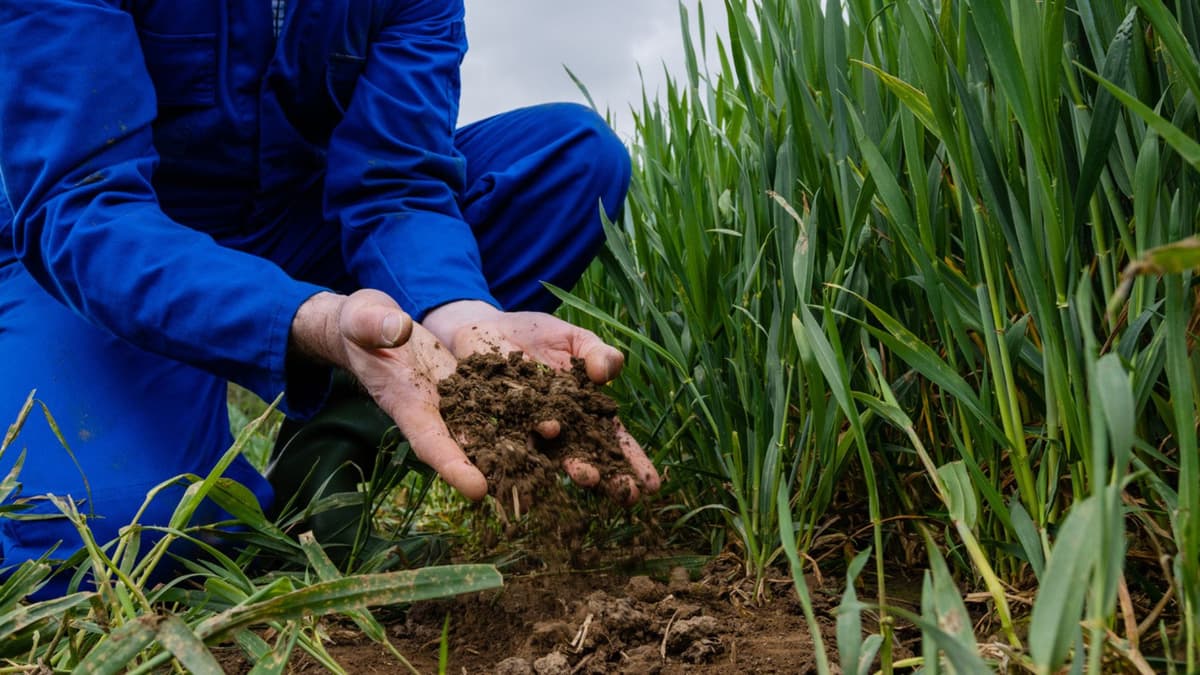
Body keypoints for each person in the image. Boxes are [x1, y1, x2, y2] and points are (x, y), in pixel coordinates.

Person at [0, 0, 661, 598]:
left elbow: (397, 181)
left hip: (293, 219)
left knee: (571, 160)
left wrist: (462, 312)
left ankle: (320, 473)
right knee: (112, 538)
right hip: (100, 247)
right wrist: (310, 318)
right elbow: (80, 203)